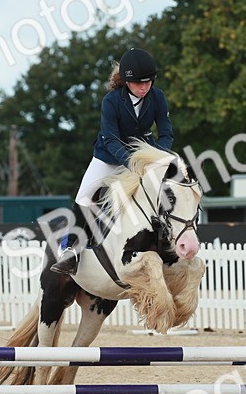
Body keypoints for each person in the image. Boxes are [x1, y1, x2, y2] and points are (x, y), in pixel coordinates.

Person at [51, 47, 174, 274]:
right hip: (109, 157)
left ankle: (171, 241)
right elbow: (111, 140)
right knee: (84, 195)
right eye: (139, 83)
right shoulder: (111, 101)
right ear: (127, 81)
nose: (145, 87)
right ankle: (71, 251)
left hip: (144, 155)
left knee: (170, 188)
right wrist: (132, 163)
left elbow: (166, 133)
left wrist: (158, 157)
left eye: (149, 82)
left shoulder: (157, 97)